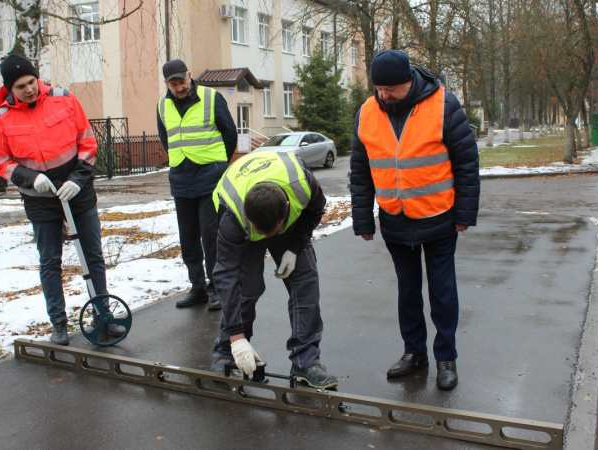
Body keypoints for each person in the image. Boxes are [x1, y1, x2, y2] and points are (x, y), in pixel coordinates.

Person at [349, 50, 480, 391]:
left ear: (410, 81)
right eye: (379, 88)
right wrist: (362, 218)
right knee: (408, 292)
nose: (384, 95)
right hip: (394, 218)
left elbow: (467, 163)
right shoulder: (366, 112)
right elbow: (360, 172)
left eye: (391, 88)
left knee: (442, 292)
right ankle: (414, 353)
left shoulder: (442, 105)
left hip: (439, 218)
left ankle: (446, 358)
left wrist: (465, 213)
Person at [0, 53, 122, 345]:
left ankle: (104, 316)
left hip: (77, 192)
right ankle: (58, 324)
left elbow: (87, 141)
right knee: (50, 261)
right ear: (9, 90)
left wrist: (78, 179)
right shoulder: (2, 118)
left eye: (31, 81)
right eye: (21, 86)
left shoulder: (64, 99)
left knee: (93, 255)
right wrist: (31, 178)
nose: (29, 89)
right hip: (40, 198)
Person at [208, 151, 338, 389]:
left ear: (287, 206)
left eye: (271, 232)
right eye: (261, 231)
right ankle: (227, 350)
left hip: (290, 227)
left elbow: (315, 212)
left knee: (305, 282)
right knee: (246, 288)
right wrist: (237, 336)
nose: (266, 238)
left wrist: (295, 247)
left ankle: (305, 363)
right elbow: (226, 274)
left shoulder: (303, 186)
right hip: (247, 225)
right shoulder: (233, 214)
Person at [156, 59, 237, 311]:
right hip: (181, 177)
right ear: (167, 84)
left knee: (211, 235)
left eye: (182, 81)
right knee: (188, 237)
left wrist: (219, 164)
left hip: (209, 177)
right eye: (174, 83)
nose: (180, 87)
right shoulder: (162, 106)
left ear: (190, 76)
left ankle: (216, 287)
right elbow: (164, 138)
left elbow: (229, 133)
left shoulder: (212, 98)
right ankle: (198, 287)